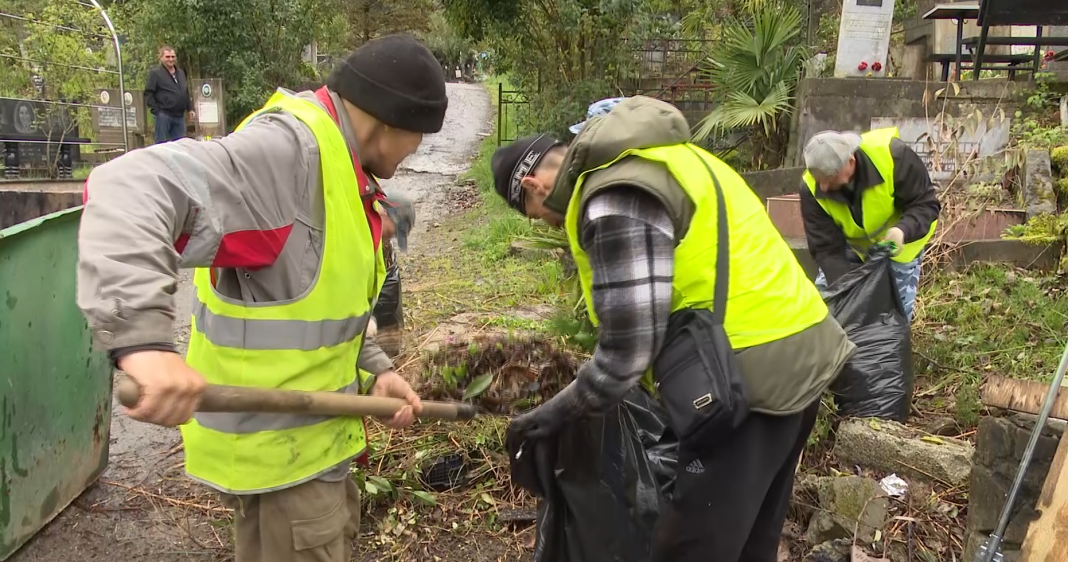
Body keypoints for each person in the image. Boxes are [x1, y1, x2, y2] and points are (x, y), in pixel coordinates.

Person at [76, 34, 448, 562]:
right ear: (390, 120)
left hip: (311, 452)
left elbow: (315, 300)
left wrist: (375, 368)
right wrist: (143, 343)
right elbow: (128, 187)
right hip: (285, 468)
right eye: (419, 137)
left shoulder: (343, 167)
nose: (416, 151)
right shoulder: (289, 156)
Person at [491, 96, 855, 562]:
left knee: (686, 549)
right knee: (749, 545)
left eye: (537, 216)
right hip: (801, 353)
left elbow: (626, 356)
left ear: (532, 185)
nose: (551, 223)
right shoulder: (673, 158)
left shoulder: (613, 195)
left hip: (749, 385)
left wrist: (545, 419)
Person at [800, 129, 941, 322]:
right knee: (829, 312)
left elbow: (925, 205)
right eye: (819, 180)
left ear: (851, 162)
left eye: (830, 178)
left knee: (891, 318)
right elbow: (825, 248)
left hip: (900, 245)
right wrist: (848, 290)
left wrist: (902, 231)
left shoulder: (894, 157)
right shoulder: (810, 187)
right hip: (852, 248)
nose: (822, 188)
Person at [369, 190, 415, 357]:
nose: (391, 237)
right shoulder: (357, 228)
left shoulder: (383, 245)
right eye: (394, 231)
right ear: (384, 213)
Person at [144, 46, 194, 144]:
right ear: (161, 58)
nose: (171, 59)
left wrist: (190, 109)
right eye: (167, 57)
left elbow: (185, 92)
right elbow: (148, 93)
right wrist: (156, 111)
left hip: (179, 116)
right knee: (161, 145)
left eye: (172, 57)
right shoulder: (156, 73)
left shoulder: (180, 73)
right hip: (164, 115)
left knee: (180, 146)